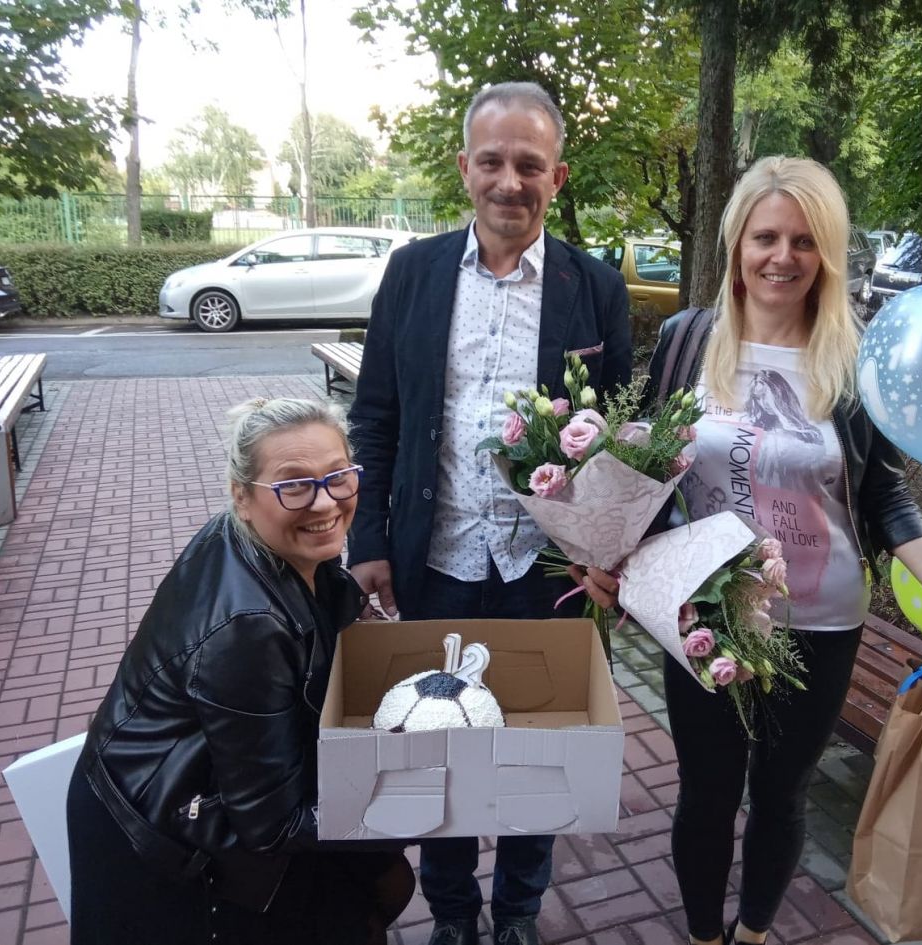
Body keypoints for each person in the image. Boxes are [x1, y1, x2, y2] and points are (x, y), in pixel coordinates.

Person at [579, 156, 922, 945]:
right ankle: (704, 935)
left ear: (829, 253)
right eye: (767, 237)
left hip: (819, 618)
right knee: (706, 792)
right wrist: (607, 551)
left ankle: (753, 933)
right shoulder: (688, 340)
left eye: (805, 241)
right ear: (737, 244)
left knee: (781, 793)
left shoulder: (853, 361)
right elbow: (642, 466)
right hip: (703, 611)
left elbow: (883, 495)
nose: (783, 257)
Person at [346, 82, 632, 945]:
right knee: (437, 747)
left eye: (530, 165)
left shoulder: (596, 287)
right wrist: (367, 539)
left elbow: (619, 438)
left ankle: (516, 914)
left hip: (545, 570)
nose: (511, 181)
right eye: (494, 161)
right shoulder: (413, 272)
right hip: (435, 558)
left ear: (558, 176)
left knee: (537, 749)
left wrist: (604, 548)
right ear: (464, 167)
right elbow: (377, 415)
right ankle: (453, 915)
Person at [67, 397, 415, 945]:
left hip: (208, 792)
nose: (325, 501)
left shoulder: (263, 541)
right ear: (242, 496)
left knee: (377, 883)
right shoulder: (247, 629)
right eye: (293, 485)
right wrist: (425, 806)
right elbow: (273, 825)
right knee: (359, 904)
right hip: (166, 832)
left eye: (338, 476)